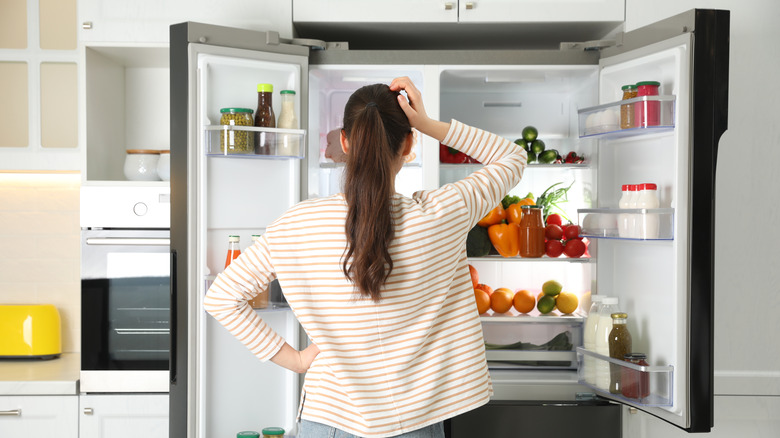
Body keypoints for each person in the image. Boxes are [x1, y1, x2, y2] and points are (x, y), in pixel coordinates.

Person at [204, 77, 527, 438]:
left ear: (344, 141)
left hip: (327, 422)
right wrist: (426, 122)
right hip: (414, 424)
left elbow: (221, 298)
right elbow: (513, 156)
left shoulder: (296, 224)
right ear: (408, 144)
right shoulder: (444, 212)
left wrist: (295, 359)